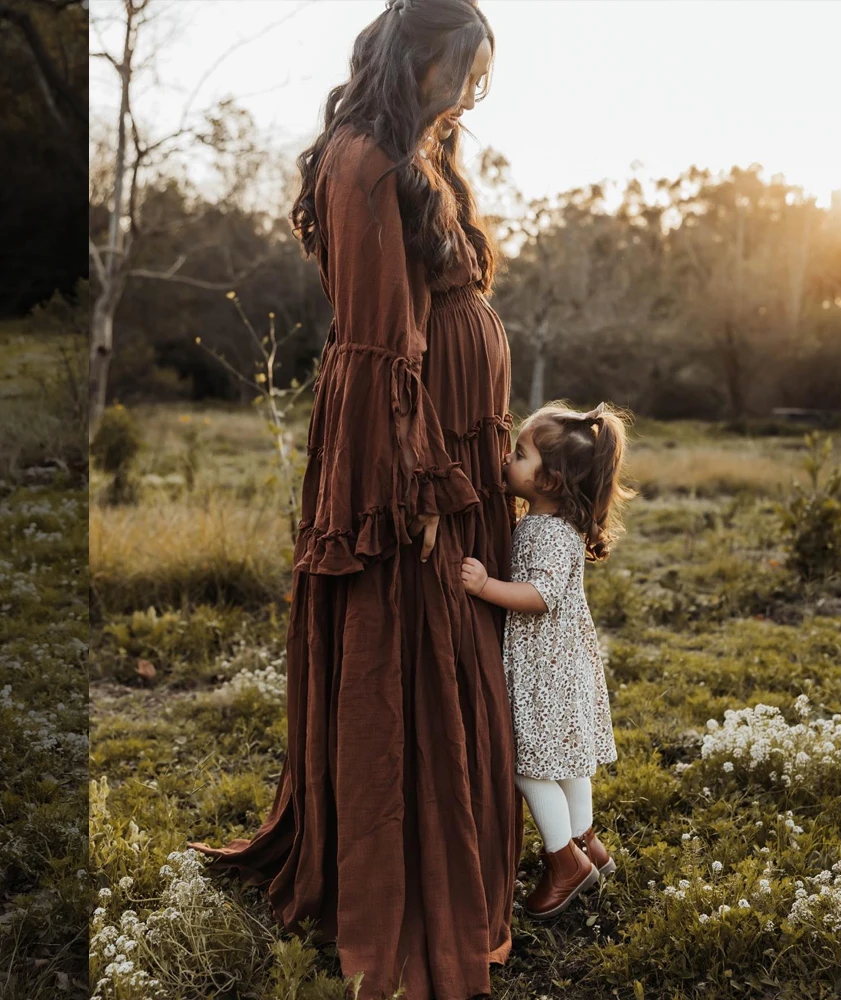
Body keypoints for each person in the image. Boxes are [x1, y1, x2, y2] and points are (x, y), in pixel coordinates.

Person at [188, 3, 524, 998]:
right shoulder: (364, 159)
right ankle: (407, 866)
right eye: (455, 72)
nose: (465, 91)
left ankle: (464, 838)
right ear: (413, 59)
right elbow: (386, 336)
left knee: (455, 631)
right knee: (414, 633)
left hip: (452, 432)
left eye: (476, 76)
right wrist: (417, 477)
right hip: (411, 447)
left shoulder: (416, 149)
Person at [460, 401, 637, 919]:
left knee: (530, 768)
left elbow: (542, 596)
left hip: (546, 669)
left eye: (519, 454)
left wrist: (486, 586)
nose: (507, 460)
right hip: (558, 664)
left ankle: (564, 862)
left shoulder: (550, 532)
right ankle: (588, 845)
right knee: (567, 760)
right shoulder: (546, 519)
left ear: (552, 481)